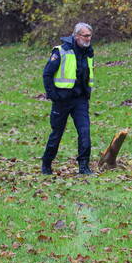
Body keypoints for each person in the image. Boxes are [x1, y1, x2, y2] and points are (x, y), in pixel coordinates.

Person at [41, 22, 95, 175]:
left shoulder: (89, 52)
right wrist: (53, 96)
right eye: (85, 35)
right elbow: (47, 74)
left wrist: (87, 92)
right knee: (57, 133)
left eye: (90, 35)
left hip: (80, 99)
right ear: (76, 36)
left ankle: (84, 167)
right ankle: (46, 164)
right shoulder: (61, 51)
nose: (88, 38)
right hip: (62, 100)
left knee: (85, 132)